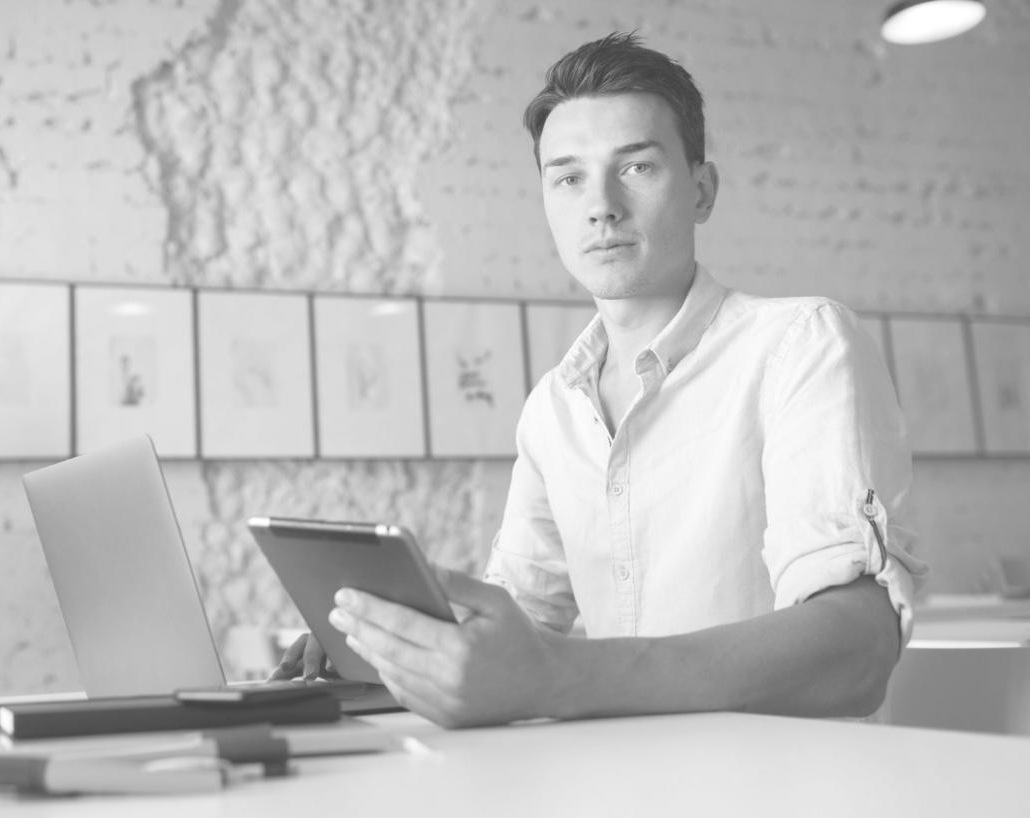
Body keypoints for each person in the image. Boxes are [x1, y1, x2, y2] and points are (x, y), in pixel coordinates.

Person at [271, 32, 927, 728]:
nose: (601, 205)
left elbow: (855, 655)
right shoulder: (551, 408)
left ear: (701, 191)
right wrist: (388, 646)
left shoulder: (799, 344)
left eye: (636, 168)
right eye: (568, 177)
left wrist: (556, 678)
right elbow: (522, 623)